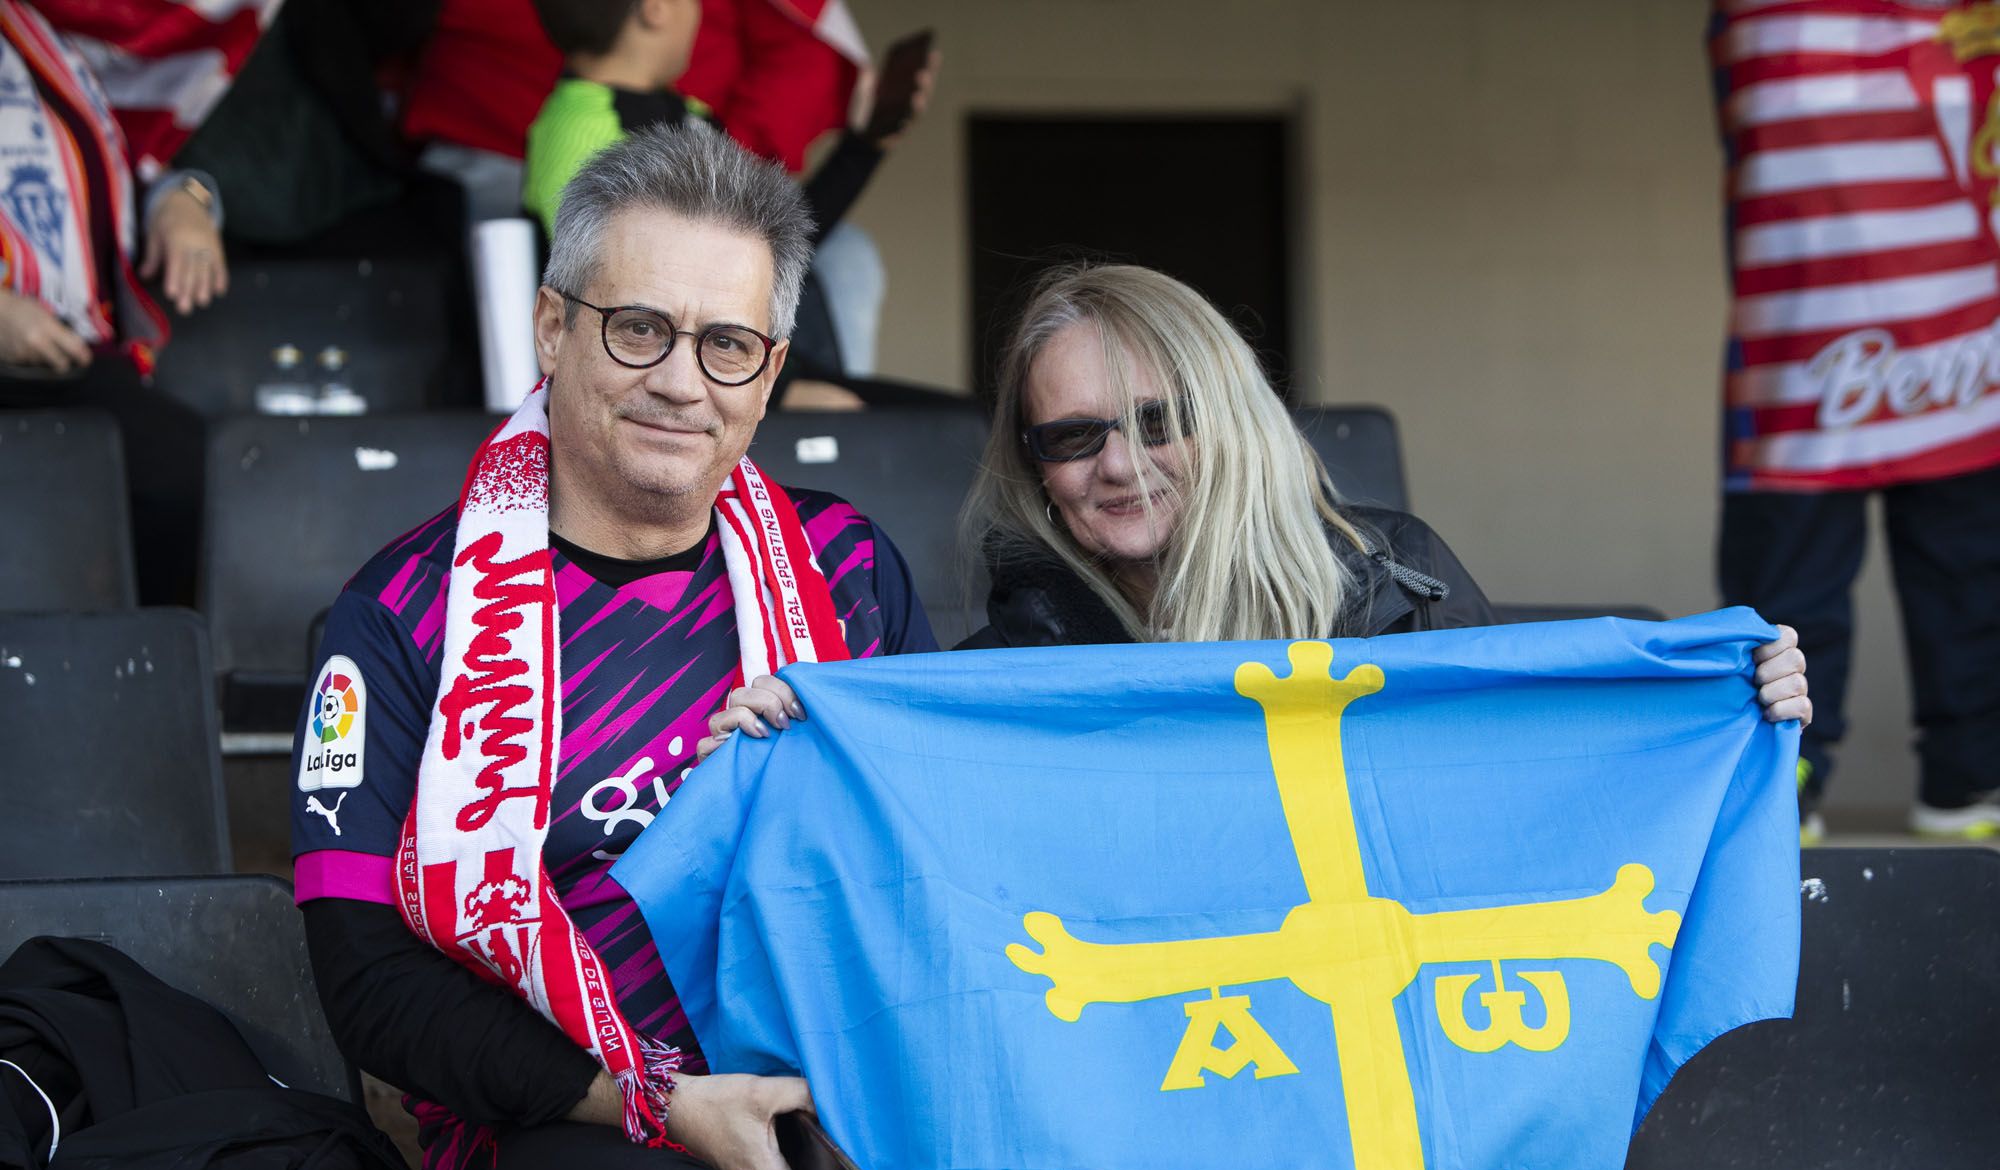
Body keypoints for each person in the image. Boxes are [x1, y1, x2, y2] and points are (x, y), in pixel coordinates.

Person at [290, 124, 934, 1170]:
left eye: (727, 344)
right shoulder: (397, 615)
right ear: (551, 328)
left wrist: (818, 778)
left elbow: (944, 864)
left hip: (846, 1081)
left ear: (772, 365)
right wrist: (650, 1103)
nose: (682, 381)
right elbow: (367, 983)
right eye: (639, 328)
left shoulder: (845, 571)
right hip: (550, 1123)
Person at [703, 263, 1812, 758]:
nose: (1122, 464)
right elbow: (905, 788)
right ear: (1035, 467)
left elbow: (1531, 757)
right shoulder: (1014, 659)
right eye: (1074, 435)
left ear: (1226, 416)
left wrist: (1728, 693)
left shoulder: (1390, 577)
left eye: (1158, 418)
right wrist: (794, 735)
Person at [1708, 0, 2000, 841]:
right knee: (1787, 593)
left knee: (1972, 575)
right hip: (1800, 352)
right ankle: (1783, 779)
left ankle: (1971, 777)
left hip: (1967, 341)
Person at [522, 0, 939, 406]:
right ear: (656, 8)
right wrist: (783, 392)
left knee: (948, 417)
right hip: (683, 375)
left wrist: (864, 146)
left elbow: (770, 240)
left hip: (736, 357)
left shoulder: (686, 112)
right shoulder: (577, 133)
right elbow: (631, 306)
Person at [0, 0, 228, 605]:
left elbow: (111, 156)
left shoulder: (35, 28)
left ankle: (141, 671)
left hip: (69, 351)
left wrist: (185, 198)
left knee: (189, 469)